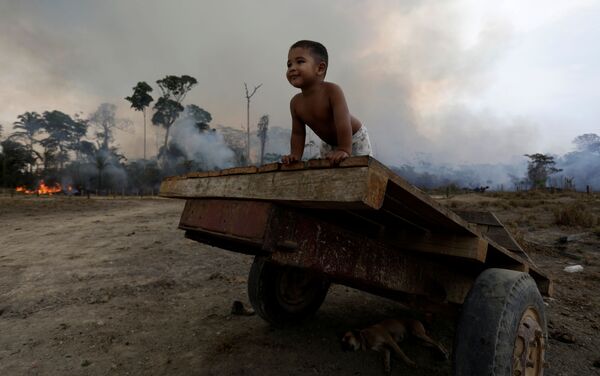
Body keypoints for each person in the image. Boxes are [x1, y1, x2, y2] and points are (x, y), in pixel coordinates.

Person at [281, 40, 373, 165]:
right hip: (328, 144)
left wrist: (344, 149)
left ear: (320, 68)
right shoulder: (295, 103)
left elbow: (343, 122)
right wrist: (295, 155)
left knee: (360, 170)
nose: (292, 68)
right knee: (328, 175)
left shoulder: (332, 91)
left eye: (300, 62)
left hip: (354, 138)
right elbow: (298, 133)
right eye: (289, 64)